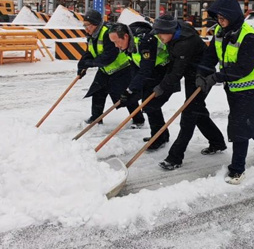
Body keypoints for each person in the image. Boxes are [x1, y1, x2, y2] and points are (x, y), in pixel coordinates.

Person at [196, 0, 254, 184]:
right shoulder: (220, 32)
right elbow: (210, 56)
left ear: (232, 16)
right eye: (217, 18)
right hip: (233, 88)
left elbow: (242, 69)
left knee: (239, 125)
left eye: (223, 17)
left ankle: (237, 170)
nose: (220, 21)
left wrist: (216, 77)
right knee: (248, 121)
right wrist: (202, 73)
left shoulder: (249, 37)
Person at [151, 14, 227, 170]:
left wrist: (162, 87)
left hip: (203, 77)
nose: (159, 37)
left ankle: (175, 158)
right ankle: (217, 142)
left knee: (188, 115)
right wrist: (162, 84)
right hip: (191, 73)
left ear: (170, 31)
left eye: (160, 34)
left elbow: (176, 72)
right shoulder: (175, 33)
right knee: (197, 111)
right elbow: (174, 67)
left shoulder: (184, 43)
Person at [108, 22, 172, 151]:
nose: (116, 45)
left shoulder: (144, 42)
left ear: (125, 36)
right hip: (152, 71)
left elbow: (145, 70)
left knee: (150, 105)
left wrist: (130, 89)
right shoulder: (130, 44)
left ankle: (158, 138)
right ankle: (161, 135)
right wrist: (131, 89)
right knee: (151, 104)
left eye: (116, 41)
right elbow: (135, 68)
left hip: (163, 70)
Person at [77, 9, 144, 127]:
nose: (86, 28)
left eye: (88, 25)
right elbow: (90, 52)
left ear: (96, 24)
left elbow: (109, 56)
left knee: (126, 96)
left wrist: (91, 63)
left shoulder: (107, 33)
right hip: (105, 70)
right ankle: (96, 118)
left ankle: (138, 120)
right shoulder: (92, 35)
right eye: (84, 25)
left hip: (121, 70)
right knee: (98, 92)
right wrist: (82, 66)